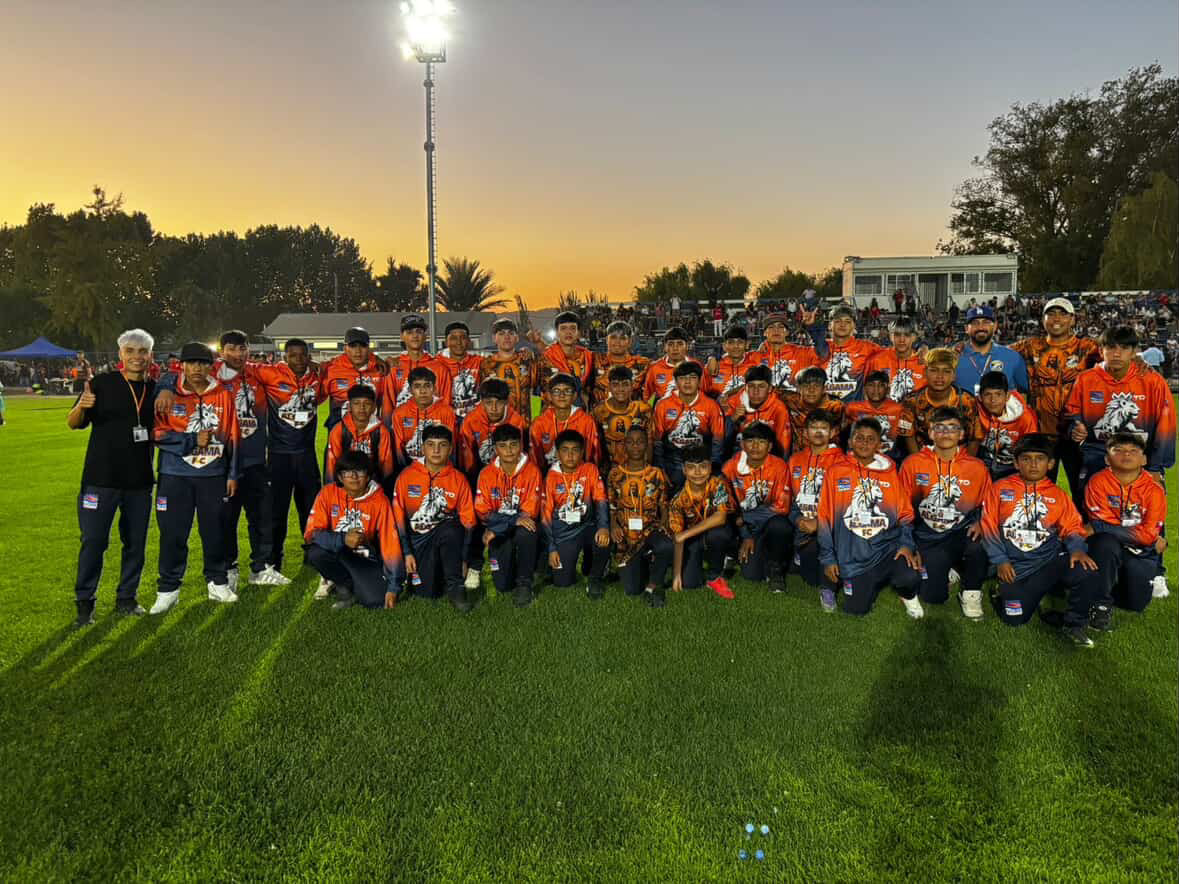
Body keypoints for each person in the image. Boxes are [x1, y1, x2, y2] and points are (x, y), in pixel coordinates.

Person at [67, 329, 157, 626]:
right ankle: (85, 603)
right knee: (93, 541)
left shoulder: (155, 389)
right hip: (100, 480)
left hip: (139, 483)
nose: (136, 357)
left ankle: (126, 599)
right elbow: (73, 423)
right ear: (120, 355)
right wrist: (81, 406)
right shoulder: (100, 384)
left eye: (142, 352)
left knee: (135, 543)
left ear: (149, 356)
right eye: (130, 351)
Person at [979, 434, 1099, 646]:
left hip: (1047, 563)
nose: (1033, 464)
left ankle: (1074, 624)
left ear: (1051, 463)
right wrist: (1000, 561)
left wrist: (1077, 550)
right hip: (1014, 567)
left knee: (1085, 568)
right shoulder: (1000, 489)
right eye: (1026, 458)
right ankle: (1005, 592)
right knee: (1014, 618)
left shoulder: (1058, 495)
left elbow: (1071, 527)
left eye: (1040, 459)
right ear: (1016, 462)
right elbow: (988, 527)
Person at [149, 342, 240, 614]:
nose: (197, 369)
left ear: (211, 366)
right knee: (173, 533)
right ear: (182, 365)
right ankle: (168, 589)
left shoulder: (223, 393)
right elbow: (155, 434)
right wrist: (189, 440)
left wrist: (233, 473)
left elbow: (233, 435)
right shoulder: (167, 395)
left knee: (214, 531)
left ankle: (217, 581)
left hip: (213, 474)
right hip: (174, 476)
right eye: (192, 363)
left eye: (203, 363)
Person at [818, 417, 925, 618]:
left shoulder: (891, 473)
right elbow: (824, 518)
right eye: (859, 438)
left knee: (909, 576)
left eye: (870, 439)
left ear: (879, 444)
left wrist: (906, 545)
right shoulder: (835, 472)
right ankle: (854, 583)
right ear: (850, 442)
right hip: (852, 557)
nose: (865, 443)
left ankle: (908, 595)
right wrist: (828, 558)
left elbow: (906, 515)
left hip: (887, 550)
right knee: (856, 610)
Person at [1065, 325, 1175, 511]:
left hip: (1141, 460)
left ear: (1134, 352)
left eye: (1124, 348)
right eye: (1111, 348)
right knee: (1091, 520)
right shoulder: (1086, 380)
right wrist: (1075, 428)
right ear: (1101, 351)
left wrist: (1156, 468)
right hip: (1098, 457)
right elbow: (1072, 415)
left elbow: (1166, 426)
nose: (1117, 354)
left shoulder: (1152, 381)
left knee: (1145, 519)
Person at [899, 406, 991, 618]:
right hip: (927, 536)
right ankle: (950, 568)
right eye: (939, 428)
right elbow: (902, 508)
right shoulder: (912, 464)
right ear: (930, 433)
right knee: (933, 596)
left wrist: (982, 522)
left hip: (960, 533)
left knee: (982, 545)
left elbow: (988, 504)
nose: (946, 433)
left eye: (952, 428)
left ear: (961, 434)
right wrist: (908, 543)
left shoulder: (976, 467)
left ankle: (971, 592)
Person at [250, 338, 326, 581]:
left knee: (311, 510)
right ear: (285, 357)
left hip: (306, 455)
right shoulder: (269, 373)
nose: (299, 360)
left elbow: (338, 368)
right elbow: (235, 365)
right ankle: (273, 560)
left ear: (309, 355)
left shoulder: (317, 377)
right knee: (276, 512)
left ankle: (312, 557)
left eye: (303, 355)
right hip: (278, 457)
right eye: (293, 355)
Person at [1008, 297, 1101, 488]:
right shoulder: (1030, 346)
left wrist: (1138, 359)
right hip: (1041, 433)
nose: (1056, 318)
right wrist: (961, 349)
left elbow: (1115, 358)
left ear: (1073, 319)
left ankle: (1081, 519)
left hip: (1077, 432)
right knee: (1039, 490)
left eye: (1062, 314)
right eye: (1051, 314)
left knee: (1082, 490)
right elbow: (997, 354)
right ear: (1043, 320)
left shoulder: (1087, 348)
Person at [1084, 433, 1169, 623]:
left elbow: (1147, 536)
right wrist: (1141, 536)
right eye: (1119, 450)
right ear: (1107, 458)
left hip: (1140, 551)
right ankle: (1101, 604)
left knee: (1135, 604)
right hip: (1109, 548)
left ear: (1144, 459)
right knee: (1104, 543)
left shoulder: (1154, 489)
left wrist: (1099, 526)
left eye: (1133, 451)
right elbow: (1103, 528)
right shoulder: (1097, 482)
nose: (1126, 455)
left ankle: (1099, 586)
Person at [391, 424, 476, 612]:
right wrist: (406, 553)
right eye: (430, 444)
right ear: (422, 448)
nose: (436, 450)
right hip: (417, 541)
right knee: (427, 593)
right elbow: (397, 521)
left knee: (452, 528)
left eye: (442, 445)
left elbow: (469, 522)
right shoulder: (405, 477)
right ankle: (435, 575)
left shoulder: (459, 479)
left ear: (451, 449)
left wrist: (464, 559)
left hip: (445, 535)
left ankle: (456, 587)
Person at [304, 451, 403, 610]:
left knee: (376, 602)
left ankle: (359, 583)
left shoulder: (380, 501)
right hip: (338, 552)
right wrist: (343, 539)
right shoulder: (327, 494)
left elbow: (390, 544)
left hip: (364, 559)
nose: (354, 477)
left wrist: (393, 587)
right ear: (340, 477)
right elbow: (311, 533)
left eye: (360, 472)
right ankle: (343, 587)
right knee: (315, 553)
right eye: (347, 473)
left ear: (369, 476)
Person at [473, 424, 543, 607]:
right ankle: (510, 567)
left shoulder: (532, 471)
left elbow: (530, 512)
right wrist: (509, 522)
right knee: (502, 585)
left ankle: (524, 583)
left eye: (513, 444)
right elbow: (482, 512)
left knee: (528, 531)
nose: (509, 450)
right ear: (495, 449)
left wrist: (498, 526)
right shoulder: (486, 474)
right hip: (499, 529)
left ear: (521, 445)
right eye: (503, 446)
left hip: (515, 528)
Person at [786, 409, 846, 612]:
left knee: (822, 566)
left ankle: (828, 590)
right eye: (813, 427)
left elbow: (844, 506)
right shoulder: (795, 460)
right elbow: (790, 500)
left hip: (832, 529)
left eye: (824, 427)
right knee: (810, 576)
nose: (818, 432)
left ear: (832, 432)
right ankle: (799, 554)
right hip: (803, 526)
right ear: (805, 432)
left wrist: (819, 523)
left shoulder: (842, 461)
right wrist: (797, 520)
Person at [722, 422, 794, 590]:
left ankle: (775, 567)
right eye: (750, 441)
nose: (755, 446)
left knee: (781, 526)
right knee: (752, 576)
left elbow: (782, 507)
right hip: (743, 525)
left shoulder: (779, 467)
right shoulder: (730, 467)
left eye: (761, 441)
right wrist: (745, 531)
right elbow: (728, 506)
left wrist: (749, 522)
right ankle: (732, 551)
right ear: (742, 444)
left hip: (765, 523)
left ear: (769, 446)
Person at [607, 426, 674, 607]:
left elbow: (664, 504)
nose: (635, 446)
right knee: (631, 590)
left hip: (649, 529)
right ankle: (642, 560)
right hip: (626, 534)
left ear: (646, 445)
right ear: (624, 445)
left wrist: (663, 523)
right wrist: (613, 526)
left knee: (666, 544)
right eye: (630, 442)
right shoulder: (615, 474)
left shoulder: (656, 474)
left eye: (640, 442)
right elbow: (612, 507)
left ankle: (653, 586)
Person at [541, 430, 611, 597]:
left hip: (587, 526)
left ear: (582, 452)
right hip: (564, 533)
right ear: (557, 453)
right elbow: (545, 516)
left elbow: (601, 500)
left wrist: (603, 527)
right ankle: (553, 564)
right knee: (562, 583)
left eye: (575, 450)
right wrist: (552, 548)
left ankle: (595, 577)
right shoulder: (551, 477)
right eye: (565, 450)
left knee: (604, 539)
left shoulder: (590, 469)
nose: (570, 455)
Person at [668, 445, 737, 597]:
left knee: (719, 534)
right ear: (684, 470)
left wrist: (685, 534)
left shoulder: (718, 484)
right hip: (692, 539)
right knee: (689, 583)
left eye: (703, 467)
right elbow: (678, 537)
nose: (698, 472)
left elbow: (721, 517)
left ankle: (715, 575)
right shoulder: (677, 500)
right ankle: (695, 563)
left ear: (710, 467)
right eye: (691, 468)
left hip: (714, 532)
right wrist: (677, 575)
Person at [652, 360, 725, 489]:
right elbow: (657, 441)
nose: (687, 382)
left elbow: (718, 440)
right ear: (675, 381)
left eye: (692, 378)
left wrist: (712, 467)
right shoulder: (663, 405)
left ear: (699, 380)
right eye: (682, 378)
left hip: (701, 460)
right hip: (673, 461)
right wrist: (660, 468)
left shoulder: (711, 405)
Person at [900, 349, 979, 455]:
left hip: (958, 458)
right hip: (923, 457)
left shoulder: (968, 401)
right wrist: (919, 463)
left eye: (946, 371)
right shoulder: (911, 401)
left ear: (954, 376)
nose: (940, 376)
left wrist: (964, 467)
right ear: (925, 372)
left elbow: (974, 438)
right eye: (934, 370)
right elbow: (908, 435)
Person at [324, 384, 396, 490]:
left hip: (372, 484)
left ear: (374, 407)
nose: (361, 408)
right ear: (349, 407)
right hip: (345, 483)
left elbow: (386, 464)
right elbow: (332, 464)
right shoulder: (338, 430)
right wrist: (333, 491)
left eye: (367, 404)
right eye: (356, 403)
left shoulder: (381, 431)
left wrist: (384, 490)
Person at [458, 378, 529, 482]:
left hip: (510, 473)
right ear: (481, 402)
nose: (494, 408)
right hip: (479, 474)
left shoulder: (516, 421)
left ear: (506, 402)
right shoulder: (471, 421)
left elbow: (520, 455)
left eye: (499, 403)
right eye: (489, 403)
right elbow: (466, 460)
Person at [810, 305, 884, 401]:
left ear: (854, 326)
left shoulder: (868, 348)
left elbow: (894, 356)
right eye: (838, 321)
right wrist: (810, 325)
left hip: (854, 412)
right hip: (825, 412)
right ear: (829, 326)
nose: (842, 325)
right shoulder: (820, 348)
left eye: (848, 321)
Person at [382, 314, 453, 413]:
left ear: (425, 336)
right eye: (409, 332)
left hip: (433, 425)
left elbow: (446, 406)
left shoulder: (440, 368)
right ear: (402, 336)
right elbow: (388, 405)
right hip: (402, 425)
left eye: (419, 331)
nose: (415, 336)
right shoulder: (394, 366)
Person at [390, 366, 458, 469]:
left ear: (434, 388)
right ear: (410, 390)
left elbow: (451, 445)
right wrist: (406, 471)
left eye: (427, 386)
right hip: (409, 468)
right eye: (417, 386)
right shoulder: (400, 413)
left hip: (440, 468)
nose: (422, 391)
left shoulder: (447, 412)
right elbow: (399, 448)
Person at [975, 371, 1038, 479]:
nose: (993, 400)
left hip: (1013, 465)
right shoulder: (975, 410)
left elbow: (1031, 447)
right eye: (987, 394)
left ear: (1007, 395)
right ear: (980, 397)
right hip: (986, 460)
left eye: (998, 394)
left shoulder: (1025, 416)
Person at [531, 374, 601, 470]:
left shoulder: (586, 421)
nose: (562, 395)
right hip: (548, 474)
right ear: (549, 396)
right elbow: (534, 457)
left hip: (579, 474)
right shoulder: (540, 423)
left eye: (567, 391)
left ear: (575, 396)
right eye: (556, 391)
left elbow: (593, 455)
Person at [955, 305, 1029, 396]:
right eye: (975, 323)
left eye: (986, 322)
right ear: (966, 328)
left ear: (995, 327)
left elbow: (1025, 392)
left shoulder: (1013, 357)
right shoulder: (954, 357)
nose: (980, 327)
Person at [721, 364, 791, 458]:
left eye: (761, 386)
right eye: (751, 386)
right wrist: (732, 420)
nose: (756, 391)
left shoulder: (779, 408)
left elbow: (783, 443)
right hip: (738, 453)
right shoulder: (733, 402)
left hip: (768, 456)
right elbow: (719, 440)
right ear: (746, 387)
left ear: (770, 388)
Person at [591, 365, 653, 472]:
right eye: (615, 385)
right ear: (609, 387)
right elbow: (594, 444)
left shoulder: (643, 410)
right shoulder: (599, 411)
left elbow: (649, 442)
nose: (621, 389)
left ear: (632, 386)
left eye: (625, 385)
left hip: (637, 468)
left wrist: (646, 469)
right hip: (608, 468)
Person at [321, 327, 386, 430]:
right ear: (345, 348)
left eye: (363, 346)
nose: (358, 351)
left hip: (370, 431)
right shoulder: (331, 369)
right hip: (339, 433)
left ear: (369, 348)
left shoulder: (381, 370)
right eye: (353, 346)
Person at [479, 317, 539, 425]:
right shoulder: (486, 365)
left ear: (517, 338)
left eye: (511, 333)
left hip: (524, 423)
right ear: (494, 338)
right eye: (501, 333)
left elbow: (539, 386)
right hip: (497, 424)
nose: (507, 337)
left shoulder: (527, 359)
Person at [842, 370, 906, 464]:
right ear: (864, 389)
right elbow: (842, 435)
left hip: (890, 458)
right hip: (857, 459)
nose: (876, 390)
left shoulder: (899, 410)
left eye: (881, 385)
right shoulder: (852, 408)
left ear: (888, 389)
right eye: (871, 385)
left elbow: (908, 436)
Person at [781, 367, 846, 454]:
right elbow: (768, 389)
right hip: (799, 458)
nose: (811, 390)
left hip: (829, 457)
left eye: (816, 386)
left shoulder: (836, 407)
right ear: (799, 388)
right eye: (806, 386)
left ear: (824, 389)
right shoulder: (790, 400)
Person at [538, 311, 594, 408]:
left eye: (573, 328)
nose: (568, 332)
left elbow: (589, 389)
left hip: (581, 413)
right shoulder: (547, 357)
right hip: (553, 412)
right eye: (563, 328)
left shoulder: (588, 357)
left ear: (579, 333)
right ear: (557, 333)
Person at [863, 315, 926, 402]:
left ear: (914, 337)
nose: (902, 339)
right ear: (891, 336)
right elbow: (866, 391)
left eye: (907, 335)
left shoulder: (924, 363)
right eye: (897, 335)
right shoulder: (876, 360)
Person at [754, 312, 820, 393]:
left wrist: (812, 327)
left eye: (781, 327)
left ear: (787, 332)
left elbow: (822, 351)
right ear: (764, 333)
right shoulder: (756, 357)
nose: (776, 330)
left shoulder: (801, 353)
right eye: (771, 327)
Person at [590, 320, 649, 406]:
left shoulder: (643, 364)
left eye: (622, 338)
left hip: (633, 416)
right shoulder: (594, 360)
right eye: (613, 337)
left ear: (630, 341)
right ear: (606, 339)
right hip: (598, 415)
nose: (617, 342)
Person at [438, 320, 484, 421]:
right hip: (446, 420)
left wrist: (523, 353)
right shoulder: (436, 364)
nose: (458, 342)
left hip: (474, 420)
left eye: (463, 338)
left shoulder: (479, 362)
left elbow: (501, 358)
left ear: (468, 341)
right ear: (446, 342)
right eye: (453, 338)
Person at [707, 325, 762, 400]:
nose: (736, 346)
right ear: (724, 346)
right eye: (731, 342)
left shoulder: (756, 360)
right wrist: (712, 357)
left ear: (747, 345)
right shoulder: (713, 366)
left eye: (740, 342)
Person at [643, 326, 695, 401]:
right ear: (664, 347)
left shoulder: (696, 366)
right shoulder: (654, 368)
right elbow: (647, 396)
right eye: (670, 344)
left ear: (687, 346)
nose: (675, 348)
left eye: (680, 344)